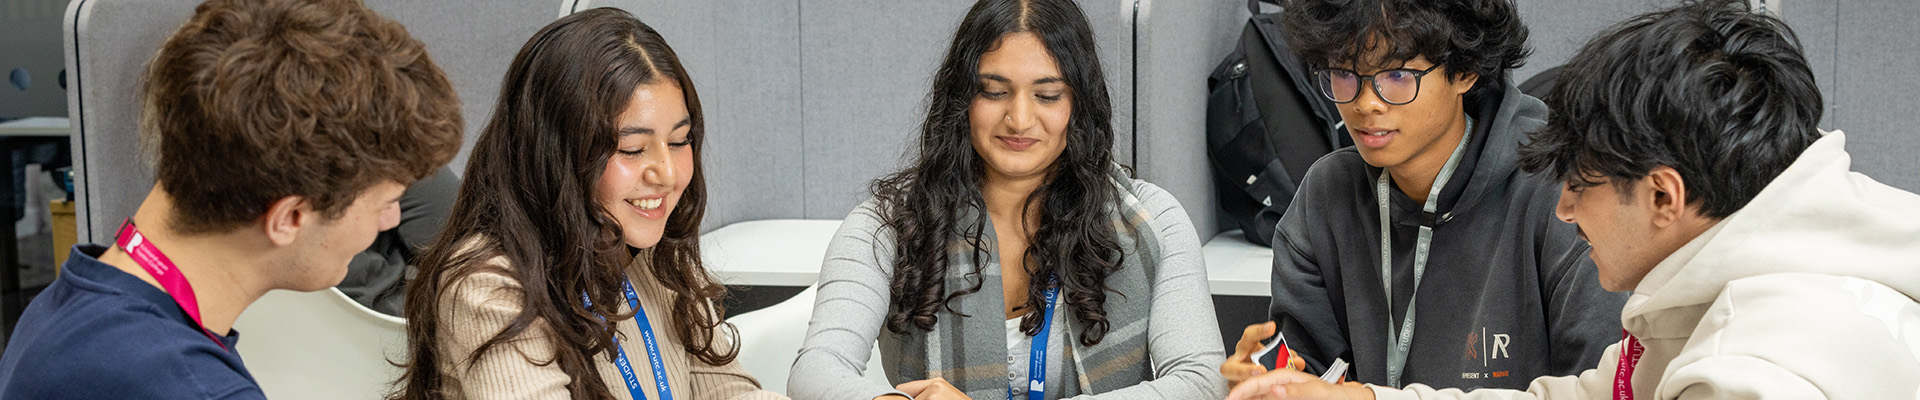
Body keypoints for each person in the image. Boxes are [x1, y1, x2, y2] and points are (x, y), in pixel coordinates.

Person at [1226, 0, 1920, 398]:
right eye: (1344, 77)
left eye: (1581, 187)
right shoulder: (1741, 280)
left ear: (1662, 195)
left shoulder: (1750, 372)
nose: (1564, 208)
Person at [0, 0, 463, 397]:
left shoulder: (70, 304)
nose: (390, 220)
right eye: (385, 201)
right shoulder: (193, 387)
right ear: (290, 217)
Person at [786, 0, 1227, 399]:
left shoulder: (1154, 220)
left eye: (1047, 95)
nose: (1018, 119)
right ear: (962, 99)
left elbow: (1200, 379)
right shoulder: (885, 227)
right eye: (994, 92)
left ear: (1079, 103)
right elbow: (816, 371)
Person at [1219, 0, 1627, 392]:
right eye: (1344, 73)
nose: (1366, 103)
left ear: (1464, 72)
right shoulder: (1326, 196)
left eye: (1397, 76)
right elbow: (1312, 372)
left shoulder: (1562, 194)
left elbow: (1601, 386)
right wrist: (1273, 379)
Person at [395, 8, 785, 400]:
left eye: (679, 141)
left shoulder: (653, 253)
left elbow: (729, 393)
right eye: (632, 149)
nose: (667, 173)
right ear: (557, 155)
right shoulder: (489, 287)